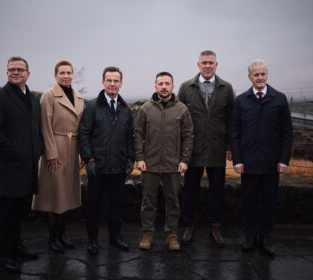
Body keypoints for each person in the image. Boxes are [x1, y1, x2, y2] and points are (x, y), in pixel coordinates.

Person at [0, 56, 44, 273]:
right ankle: (4, 255)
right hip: (8, 167)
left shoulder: (34, 98)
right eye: (11, 69)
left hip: (27, 167)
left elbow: (35, 128)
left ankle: (17, 246)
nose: (15, 72)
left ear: (28, 73)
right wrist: (13, 149)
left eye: (20, 69)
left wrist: (39, 150)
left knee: (18, 211)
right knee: (4, 214)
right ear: (7, 73)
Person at [230, 59, 293, 256]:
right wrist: (237, 160)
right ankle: (249, 238)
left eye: (263, 74)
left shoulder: (279, 99)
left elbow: (287, 132)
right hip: (247, 164)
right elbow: (234, 132)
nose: (260, 77)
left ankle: (265, 239)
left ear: (267, 75)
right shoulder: (240, 101)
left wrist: (284, 159)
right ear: (249, 77)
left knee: (269, 203)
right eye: (256, 74)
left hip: (271, 164)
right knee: (248, 203)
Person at [178, 50, 235, 247]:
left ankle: (216, 226)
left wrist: (229, 146)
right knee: (190, 190)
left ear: (216, 65)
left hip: (217, 149)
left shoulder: (226, 88)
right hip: (192, 149)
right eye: (204, 62)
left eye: (211, 62)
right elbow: (180, 119)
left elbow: (231, 120)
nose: (208, 65)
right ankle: (189, 225)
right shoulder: (186, 87)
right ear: (198, 65)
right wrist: (181, 148)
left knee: (217, 190)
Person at [78, 66, 134, 254]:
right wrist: (89, 159)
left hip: (118, 166)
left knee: (117, 206)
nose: (112, 84)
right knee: (93, 205)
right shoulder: (92, 106)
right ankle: (92, 240)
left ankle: (115, 237)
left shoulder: (126, 108)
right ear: (103, 83)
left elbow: (130, 136)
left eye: (116, 80)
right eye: (109, 80)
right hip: (97, 167)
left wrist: (130, 158)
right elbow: (83, 135)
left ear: (121, 83)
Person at [134, 72, 193, 251]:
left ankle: (172, 235)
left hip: (173, 164)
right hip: (150, 164)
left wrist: (184, 160)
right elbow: (137, 133)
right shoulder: (146, 109)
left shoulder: (182, 109)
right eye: (160, 83)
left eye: (167, 83)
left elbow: (188, 136)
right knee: (148, 201)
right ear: (155, 86)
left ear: (173, 86)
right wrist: (139, 158)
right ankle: (147, 234)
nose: (164, 87)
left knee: (173, 201)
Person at [31, 60, 84, 253]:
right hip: (55, 151)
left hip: (72, 151)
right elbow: (44, 126)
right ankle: (53, 238)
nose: (66, 76)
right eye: (62, 73)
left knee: (66, 198)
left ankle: (62, 236)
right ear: (55, 75)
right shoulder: (49, 96)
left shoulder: (78, 97)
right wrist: (50, 153)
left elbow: (81, 127)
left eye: (69, 72)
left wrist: (83, 152)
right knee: (54, 197)